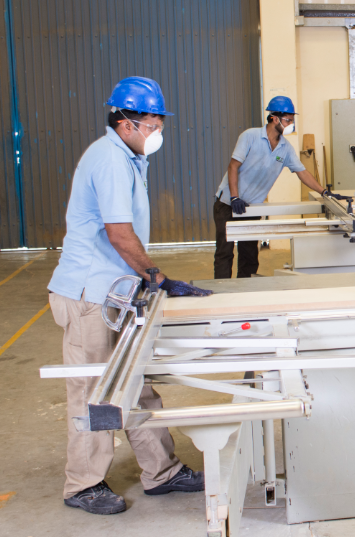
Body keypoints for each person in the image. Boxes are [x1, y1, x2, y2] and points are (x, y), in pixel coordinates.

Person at [47, 76, 213, 515]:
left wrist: (144, 280)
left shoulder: (129, 158)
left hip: (116, 293)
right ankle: (82, 484)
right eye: (153, 124)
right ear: (127, 123)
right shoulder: (109, 159)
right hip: (89, 295)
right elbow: (119, 234)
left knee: (135, 381)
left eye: (160, 123)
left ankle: (162, 471)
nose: (159, 132)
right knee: (95, 391)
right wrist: (157, 276)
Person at [213, 96, 343, 279]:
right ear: (275, 118)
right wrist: (235, 197)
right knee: (225, 252)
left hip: (251, 208)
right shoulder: (250, 136)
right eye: (288, 120)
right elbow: (233, 166)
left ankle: (245, 289)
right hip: (228, 203)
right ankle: (222, 290)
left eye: (292, 120)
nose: (291, 124)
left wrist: (324, 192)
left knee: (249, 254)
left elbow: (302, 172)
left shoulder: (285, 148)